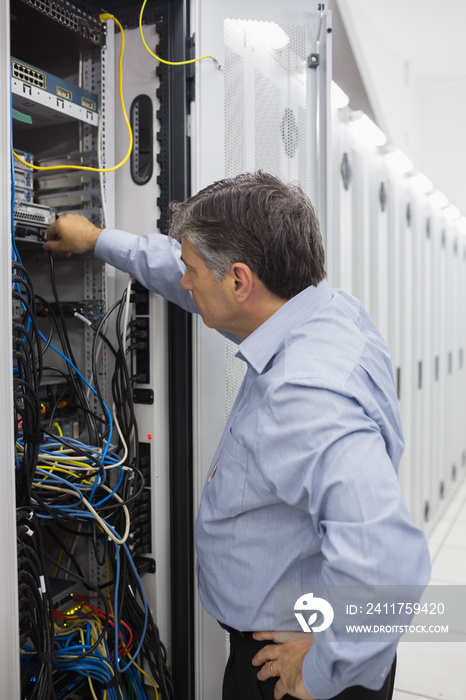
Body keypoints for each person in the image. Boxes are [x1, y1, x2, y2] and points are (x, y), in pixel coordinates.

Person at [44, 172, 431, 700]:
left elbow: (389, 564)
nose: (185, 281)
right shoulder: (317, 312)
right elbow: (179, 271)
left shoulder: (306, 393)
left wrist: (322, 669)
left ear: (240, 282)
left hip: (287, 668)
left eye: (193, 271)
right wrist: (97, 241)